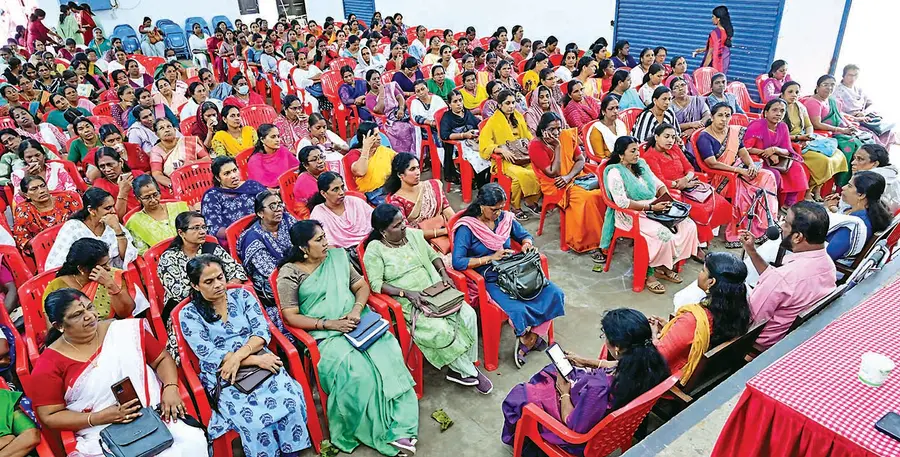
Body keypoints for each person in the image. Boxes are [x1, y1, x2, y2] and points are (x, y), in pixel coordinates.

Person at [275, 220, 419, 455]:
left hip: (357, 322)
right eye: (319, 240)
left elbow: (360, 285)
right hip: (325, 334)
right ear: (303, 247)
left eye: (324, 236)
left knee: (388, 352)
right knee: (358, 372)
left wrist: (355, 310)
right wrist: (330, 324)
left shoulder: (337, 257)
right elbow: (290, 315)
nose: (326, 242)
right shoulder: (289, 273)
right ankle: (376, 428)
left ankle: (400, 423)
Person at [32, 289, 209, 457]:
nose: (89, 316)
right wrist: (98, 418)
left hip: (153, 410)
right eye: (77, 315)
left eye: (90, 307)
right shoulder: (48, 365)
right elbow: (50, 416)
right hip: (99, 430)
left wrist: (171, 387)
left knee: (191, 443)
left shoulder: (122, 330)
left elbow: (162, 359)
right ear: (59, 325)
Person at [178, 256, 312, 457]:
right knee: (255, 421)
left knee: (291, 401)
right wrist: (255, 360)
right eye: (209, 281)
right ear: (195, 286)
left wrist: (239, 356)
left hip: (259, 361)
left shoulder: (242, 296)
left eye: (220, 277)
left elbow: (261, 333)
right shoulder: (189, 314)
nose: (218, 285)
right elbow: (208, 353)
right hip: (224, 374)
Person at [501, 308, 669, 455]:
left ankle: (520, 437)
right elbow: (619, 365)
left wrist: (564, 394)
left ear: (616, 347)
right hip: (613, 420)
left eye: (606, 336)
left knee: (520, 395)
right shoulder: (650, 362)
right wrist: (586, 362)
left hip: (579, 439)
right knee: (553, 371)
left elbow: (574, 427)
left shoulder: (600, 387)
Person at [364, 203, 494, 392]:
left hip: (435, 290)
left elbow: (433, 256)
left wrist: (444, 274)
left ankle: (462, 366)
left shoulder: (412, 235)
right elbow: (376, 284)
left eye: (402, 222)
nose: (403, 227)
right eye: (396, 225)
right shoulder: (375, 250)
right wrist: (406, 293)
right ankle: (469, 372)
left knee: (468, 315)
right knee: (440, 329)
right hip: (410, 301)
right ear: (383, 231)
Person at [451, 183, 565, 367]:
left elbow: (525, 235)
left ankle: (530, 338)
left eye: (500, 208)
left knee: (554, 294)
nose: (498, 213)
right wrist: (490, 258)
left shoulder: (505, 219)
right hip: (490, 277)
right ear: (481, 205)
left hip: (514, 270)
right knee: (518, 310)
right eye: (493, 210)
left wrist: (527, 243)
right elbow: (458, 261)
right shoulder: (468, 227)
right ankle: (527, 339)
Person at [601, 136, 700, 294]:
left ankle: (664, 265)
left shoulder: (640, 165)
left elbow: (658, 184)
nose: (637, 154)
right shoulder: (614, 172)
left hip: (654, 206)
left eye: (638, 150)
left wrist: (667, 199)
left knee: (688, 225)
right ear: (621, 154)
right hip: (631, 214)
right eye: (632, 151)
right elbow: (621, 203)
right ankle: (649, 274)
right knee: (663, 234)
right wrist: (651, 208)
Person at [742, 201, 836, 349]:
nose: (781, 227)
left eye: (786, 223)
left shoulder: (783, 278)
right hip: (790, 340)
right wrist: (752, 251)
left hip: (755, 347)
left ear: (797, 237)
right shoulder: (828, 266)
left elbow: (749, 320)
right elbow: (776, 281)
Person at [157, 212, 246, 356]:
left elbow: (237, 272)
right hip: (186, 308)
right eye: (196, 228)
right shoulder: (169, 258)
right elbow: (179, 293)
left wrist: (222, 289)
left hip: (222, 301)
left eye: (204, 227)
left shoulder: (212, 249)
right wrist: (215, 292)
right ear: (181, 232)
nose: (202, 231)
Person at [652, 252, 750, 381]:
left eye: (702, 270)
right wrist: (671, 328)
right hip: (710, 373)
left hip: (672, 377)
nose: (699, 273)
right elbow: (701, 337)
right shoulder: (739, 309)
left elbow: (655, 359)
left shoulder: (693, 320)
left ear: (711, 282)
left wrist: (654, 335)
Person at [695, 103, 780, 247]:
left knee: (768, 177)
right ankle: (743, 231)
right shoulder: (705, 137)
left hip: (738, 170)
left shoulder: (732, 132)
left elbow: (743, 152)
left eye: (727, 115)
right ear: (712, 116)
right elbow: (712, 164)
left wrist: (751, 165)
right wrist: (739, 171)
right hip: (721, 177)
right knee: (749, 191)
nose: (724, 119)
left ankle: (766, 224)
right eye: (720, 115)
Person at [642, 123, 732, 247]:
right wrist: (680, 184)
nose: (670, 140)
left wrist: (686, 179)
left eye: (673, 137)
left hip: (688, 185)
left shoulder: (674, 148)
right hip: (672, 192)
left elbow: (689, 167)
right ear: (656, 137)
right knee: (700, 210)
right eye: (666, 136)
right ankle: (697, 245)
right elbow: (658, 181)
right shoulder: (650, 156)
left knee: (718, 201)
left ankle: (703, 240)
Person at [529, 113, 605, 257]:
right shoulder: (536, 145)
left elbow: (580, 160)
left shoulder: (566, 136)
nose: (557, 133)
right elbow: (553, 173)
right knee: (585, 199)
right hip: (554, 184)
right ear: (543, 129)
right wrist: (557, 146)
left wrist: (569, 176)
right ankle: (589, 244)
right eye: (552, 129)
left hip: (573, 177)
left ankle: (604, 237)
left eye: (559, 128)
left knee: (600, 193)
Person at [43, 238, 149, 318]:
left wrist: (110, 285)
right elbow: (55, 328)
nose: (108, 268)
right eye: (102, 266)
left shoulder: (112, 276)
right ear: (82, 268)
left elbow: (126, 312)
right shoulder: (56, 287)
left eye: (107, 263)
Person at [480, 90, 542, 220]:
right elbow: (484, 146)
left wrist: (533, 144)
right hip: (504, 160)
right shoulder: (492, 122)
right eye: (507, 103)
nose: (511, 106)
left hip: (522, 156)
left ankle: (530, 201)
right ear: (500, 105)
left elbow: (527, 136)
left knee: (537, 169)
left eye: (513, 102)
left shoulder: (518, 116)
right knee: (520, 175)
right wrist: (501, 150)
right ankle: (515, 206)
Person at [44, 187, 139, 271]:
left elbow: (125, 257)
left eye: (113, 206)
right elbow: (57, 264)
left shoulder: (112, 223)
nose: (113, 211)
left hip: (111, 273)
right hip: (83, 278)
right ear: (91, 210)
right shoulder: (73, 228)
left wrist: (117, 229)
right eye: (108, 208)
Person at [781, 81, 848, 199]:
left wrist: (808, 137)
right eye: (790, 92)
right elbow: (778, 135)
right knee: (824, 161)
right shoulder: (779, 109)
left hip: (804, 139)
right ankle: (808, 191)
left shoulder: (800, 107)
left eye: (797, 92)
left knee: (838, 155)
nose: (794, 95)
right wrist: (799, 138)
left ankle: (817, 188)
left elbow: (809, 126)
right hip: (789, 143)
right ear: (782, 94)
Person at [237, 190, 297, 321]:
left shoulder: (287, 219)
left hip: (297, 269)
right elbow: (269, 270)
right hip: (272, 282)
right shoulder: (252, 238)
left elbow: (304, 241)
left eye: (279, 204)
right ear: (260, 213)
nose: (278, 209)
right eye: (272, 206)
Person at [804, 74, 870, 189]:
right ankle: (842, 184)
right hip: (823, 135)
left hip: (836, 132)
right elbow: (816, 124)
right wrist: (841, 130)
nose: (829, 88)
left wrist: (851, 123)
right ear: (818, 86)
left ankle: (857, 182)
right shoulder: (813, 102)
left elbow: (840, 115)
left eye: (832, 85)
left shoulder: (831, 101)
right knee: (850, 144)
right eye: (825, 85)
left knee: (862, 144)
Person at [384, 153, 456, 251]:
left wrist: (456, 226)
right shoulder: (396, 201)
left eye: (418, 168)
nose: (417, 172)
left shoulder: (432, 185)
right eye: (412, 169)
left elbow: (446, 208)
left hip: (446, 234)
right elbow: (408, 232)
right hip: (419, 243)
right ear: (400, 175)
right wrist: (442, 232)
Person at [744, 99, 809, 206]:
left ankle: (788, 204)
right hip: (756, 159)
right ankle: (772, 205)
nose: (778, 113)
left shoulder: (783, 127)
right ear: (766, 113)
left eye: (782, 111)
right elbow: (747, 149)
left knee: (797, 167)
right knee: (775, 174)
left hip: (776, 159)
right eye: (774, 110)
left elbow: (787, 151)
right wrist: (766, 153)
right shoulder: (757, 125)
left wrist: (775, 150)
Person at [823, 171, 891, 260]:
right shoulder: (870, 212)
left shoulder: (852, 226)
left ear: (861, 195)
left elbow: (827, 257)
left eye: (849, 186)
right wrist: (832, 207)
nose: (843, 188)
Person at [201, 157, 268, 245]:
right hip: (238, 240)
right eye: (227, 173)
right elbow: (215, 229)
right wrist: (246, 234)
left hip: (266, 229)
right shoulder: (212, 196)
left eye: (235, 170)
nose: (233, 175)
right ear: (218, 177)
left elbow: (271, 204)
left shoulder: (252, 186)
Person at [12, 175, 81, 257]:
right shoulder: (23, 210)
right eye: (34, 189)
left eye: (42, 186)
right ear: (26, 195)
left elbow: (83, 221)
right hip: (48, 252)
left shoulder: (67, 199)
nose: (41, 191)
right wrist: (43, 242)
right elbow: (21, 239)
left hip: (77, 243)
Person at [834, 64, 896, 147]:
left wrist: (864, 113)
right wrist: (856, 118)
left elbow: (870, 104)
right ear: (843, 75)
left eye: (855, 75)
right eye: (850, 75)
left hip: (865, 117)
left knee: (889, 132)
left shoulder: (859, 90)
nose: (853, 78)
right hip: (850, 120)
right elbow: (837, 112)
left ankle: (883, 156)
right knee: (870, 136)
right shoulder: (837, 91)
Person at [124, 174, 189, 253]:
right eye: (147, 197)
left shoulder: (179, 208)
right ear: (138, 199)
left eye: (155, 194)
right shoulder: (135, 223)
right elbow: (144, 253)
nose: (153, 200)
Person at [440, 89, 491, 187]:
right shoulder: (447, 117)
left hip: (472, 141)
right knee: (479, 157)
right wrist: (463, 135)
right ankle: (482, 184)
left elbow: (477, 124)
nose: (459, 104)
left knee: (488, 152)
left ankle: (485, 182)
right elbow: (444, 135)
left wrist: (478, 135)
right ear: (449, 104)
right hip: (458, 146)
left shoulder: (466, 113)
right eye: (455, 101)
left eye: (460, 100)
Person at [149, 118, 210, 190]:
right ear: (157, 134)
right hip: (174, 186)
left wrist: (191, 163)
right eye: (161, 128)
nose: (167, 130)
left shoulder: (187, 141)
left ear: (174, 129)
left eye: (169, 126)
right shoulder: (156, 150)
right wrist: (174, 185)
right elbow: (157, 174)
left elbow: (207, 159)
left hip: (198, 179)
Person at [10, 139, 74, 206]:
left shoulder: (56, 167)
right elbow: (19, 200)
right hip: (36, 210)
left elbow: (71, 190)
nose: (34, 159)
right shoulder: (18, 175)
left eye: (37, 155)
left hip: (63, 205)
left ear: (44, 155)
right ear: (23, 159)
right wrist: (27, 177)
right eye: (29, 157)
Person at [367, 69, 416, 155]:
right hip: (385, 120)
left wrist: (401, 109)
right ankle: (403, 155)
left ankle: (417, 154)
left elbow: (400, 98)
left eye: (378, 78)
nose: (377, 80)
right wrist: (381, 92)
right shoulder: (369, 97)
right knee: (403, 128)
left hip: (398, 113)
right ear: (368, 82)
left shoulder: (389, 87)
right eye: (374, 79)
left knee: (414, 125)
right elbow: (379, 110)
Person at [848, 144, 900, 212]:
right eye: (854, 158)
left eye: (860, 159)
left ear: (875, 164)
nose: (853, 162)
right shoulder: (891, 175)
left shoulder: (868, 182)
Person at [246, 124, 300, 188]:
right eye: (273, 137)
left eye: (278, 136)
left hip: (290, 186)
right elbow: (260, 188)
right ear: (262, 139)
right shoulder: (255, 161)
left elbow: (296, 168)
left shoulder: (283, 150)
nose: (278, 140)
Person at [693, 5, 733, 74]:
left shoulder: (715, 33)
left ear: (718, 19)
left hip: (714, 65)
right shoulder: (727, 31)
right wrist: (702, 50)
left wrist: (702, 69)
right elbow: (719, 47)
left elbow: (711, 54)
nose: (712, 19)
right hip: (723, 64)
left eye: (713, 16)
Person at [586, 95, 627, 160]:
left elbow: (629, 144)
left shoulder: (621, 124)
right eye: (611, 109)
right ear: (603, 112)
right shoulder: (597, 129)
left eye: (617, 108)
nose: (615, 111)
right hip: (608, 164)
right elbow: (600, 157)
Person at [670, 76, 710, 140]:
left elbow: (708, 115)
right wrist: (691, 124)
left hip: (699, 133)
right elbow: (671, 125)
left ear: (687, 87)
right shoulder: (670, 105)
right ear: (672, 92)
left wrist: (694, 129)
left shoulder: (697, 100)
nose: (680, 89)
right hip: (678, 136)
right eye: (676, 87)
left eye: (683, 85)